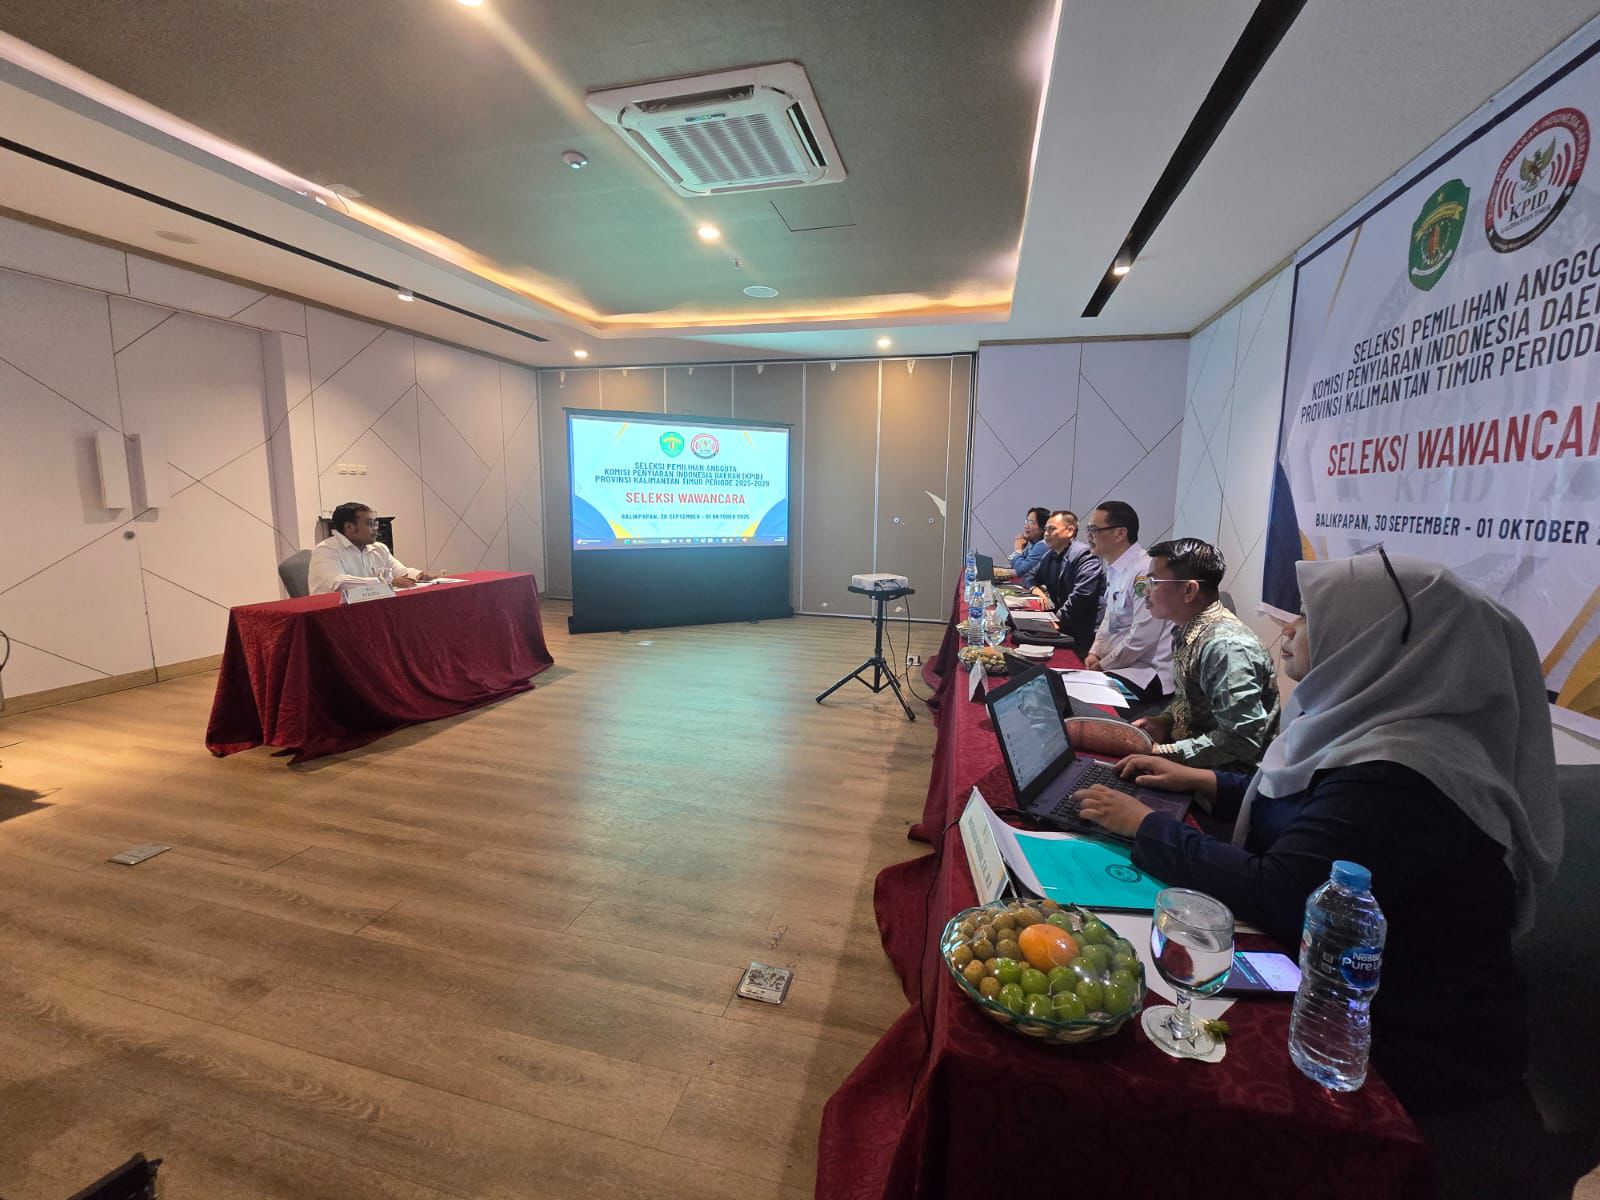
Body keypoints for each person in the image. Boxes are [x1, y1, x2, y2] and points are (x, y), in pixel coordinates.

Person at [1074, 552, 1564, 1199]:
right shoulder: (1377, 729)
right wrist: (1206, 781)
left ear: (1372, 640)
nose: (1286, 630)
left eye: (1307, 617)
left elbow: (1279, 890)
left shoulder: (1401, 773)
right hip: (1351, 1010)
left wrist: (1145, 827)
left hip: (1400, 1063)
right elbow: (1303, 805)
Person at [1137, 537, 1277, 771]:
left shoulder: (1226, 647)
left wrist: (1162, 753)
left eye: (1153, 582)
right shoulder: (1187, 630)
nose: (1145, 591)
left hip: (1225, 778)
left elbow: (1241, 740)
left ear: (1189, 590)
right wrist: (1164, 721)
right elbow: (1190, 701)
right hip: (1195, 763)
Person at [1082, 500, 1173, 700]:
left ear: (1120, 533)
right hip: (1117, 665)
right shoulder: (1115, 568)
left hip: (1145, 673)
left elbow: (1142, 638)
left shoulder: (1145, 571)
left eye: (1094, 530)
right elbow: (1110, 617)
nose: (1088, 536)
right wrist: (1095, 652)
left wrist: (1103, 664)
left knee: (1081, 698)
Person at [308, 502, 438, 595]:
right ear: (349, 527)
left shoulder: (379, 548)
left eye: (375, 524)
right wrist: (386, 582)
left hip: (368, 606)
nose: (376, 529)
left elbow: (399, 571)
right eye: (370, 524)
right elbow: (339, 583)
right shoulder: (326, 550)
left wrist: (418, 575)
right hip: (331, 613)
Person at [1028, 510, 1106, 650]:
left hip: (1085, 632)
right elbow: (1029, 576)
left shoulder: (1086, 555)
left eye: (1051, 529)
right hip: (1065, 626)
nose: (1046, 534)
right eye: (1045, 529)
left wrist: (1055, 619)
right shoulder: (1050, 556)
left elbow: (1082, 595)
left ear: (1070, 531)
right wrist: (1035, 589)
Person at [1008, 506, 1053, 586]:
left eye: (1031, 522)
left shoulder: (1043, 546)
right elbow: (1016, 565)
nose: (1026, 526)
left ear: (1043, 528)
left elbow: (1021, 571)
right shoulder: (1033, 544)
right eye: (1026, 521)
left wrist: (1018, 549)